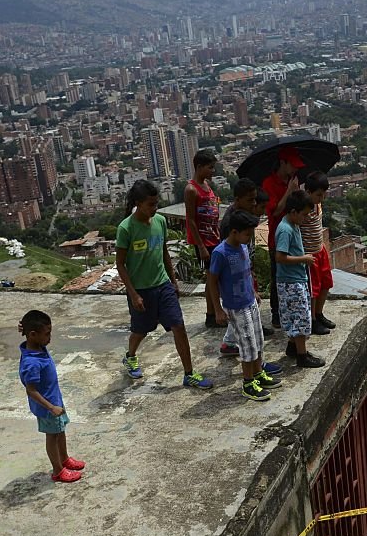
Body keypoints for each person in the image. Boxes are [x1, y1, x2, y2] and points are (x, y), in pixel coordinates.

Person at [117, 179, 213, 389]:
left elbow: (164, 253)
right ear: (138, 203)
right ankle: (131, 356)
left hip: (163, 286)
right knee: (141, 330)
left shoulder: (160, 222)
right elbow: (120, 265)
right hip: (141, 290)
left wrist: (173, 280)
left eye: (156, 203)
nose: (154, 208)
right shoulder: (126, 228)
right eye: (150, 204)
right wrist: (133, 294)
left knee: (178, 327)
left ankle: (189, 373)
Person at [207, 210, 283, 402]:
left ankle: (258, 374)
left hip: (249, 302)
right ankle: (248, 384)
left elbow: (246, 272)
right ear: (234, 232)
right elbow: (212, 281)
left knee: (257, 340)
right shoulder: (220, 253)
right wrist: (218, 309)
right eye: (247, 234)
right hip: (236, 306)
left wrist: (254, 292)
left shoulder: (242, 247)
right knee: (247, 345)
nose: (249, 238)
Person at [18, 309, 85, 483]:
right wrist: (51, 407)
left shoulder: (37, 346)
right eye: (47, 334)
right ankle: (58, 470)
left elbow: (32, 331)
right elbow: (31, 390)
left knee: (60, 431)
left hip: (55, 401)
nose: (50, 338)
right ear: (33, 335)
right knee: (52, 436)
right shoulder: (31, 362)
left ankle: (64, 458)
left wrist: (25, 328)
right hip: (48, 407)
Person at [219, 178, 277, 352]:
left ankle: (238, 338)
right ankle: (232, 343)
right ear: (238, 200)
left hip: (245, 270)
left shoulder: (245, 217)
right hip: (236, 277)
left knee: (251, 305)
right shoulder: (231, 223)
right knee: (240, 311)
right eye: (250, 200)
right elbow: (228, 256)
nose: (254, 203)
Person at [275, 190, 325, 369]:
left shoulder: (293, 226)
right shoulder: (285, 230)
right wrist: (304, 258)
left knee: (293, 316)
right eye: (303, 215)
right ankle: (302, 355)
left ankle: (292, 347)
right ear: (293, 212)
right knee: (301, 317)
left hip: (296, 278)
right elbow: (280, 257)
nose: (305, 219)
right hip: (291, 281)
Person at [263, 146, 305, 330]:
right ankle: (276, 314)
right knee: (277, 276)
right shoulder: (269, 184)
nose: (295, 169)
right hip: (277, 236)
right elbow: (275, 211)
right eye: (292, 165)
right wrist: (289, 191)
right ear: (283, 163)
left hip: (294, 233)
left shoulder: (293, 180)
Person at [183, 149, 222, 328]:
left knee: (214, 277)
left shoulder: (207, 185)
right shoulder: (191, 189)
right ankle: (213, 313)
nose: (212, 171)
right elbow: (190, 219)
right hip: (204, 241)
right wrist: (201, 246)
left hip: (214, 237)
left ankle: (212, 312)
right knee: (212, 278)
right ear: (199, 167)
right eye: (209, 167)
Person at [302, 171, 336, 335]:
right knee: (313, 289)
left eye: (323, 194)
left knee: (326, 284)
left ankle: (319, 313)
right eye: (318, 195)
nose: (321, 198)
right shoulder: (303, 209)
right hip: (309, 254)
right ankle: (312, 320)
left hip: (320, 249)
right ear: (308, 192)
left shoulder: (317, 205)